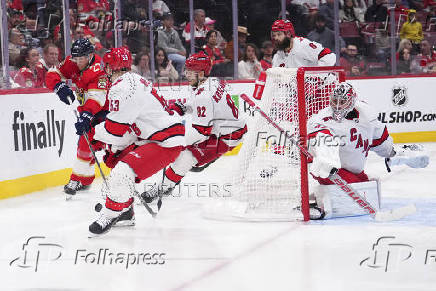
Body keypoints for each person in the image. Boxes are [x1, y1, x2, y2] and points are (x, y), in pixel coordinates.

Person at [89, 47, 185, 235]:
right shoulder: (135, 79)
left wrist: (93, 132)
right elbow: (127, 128)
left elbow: (115, 131)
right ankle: (125, 211)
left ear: (111, 67)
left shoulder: (122, 87)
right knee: (115, 157)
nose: (105, 70)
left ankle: (111, 213)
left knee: (122, 172)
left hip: (164, 142)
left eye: (106, 66)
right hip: (155, 136)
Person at [138, 51, 247, 206]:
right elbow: (202, 105)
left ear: (201, 73)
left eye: (190, 71)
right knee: (186, 152)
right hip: (231, 127)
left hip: (228, 136)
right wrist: (183, 107)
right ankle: (184, 171)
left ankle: (164, 187)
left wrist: (176, 142)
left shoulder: (204, 94)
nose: (186, 74)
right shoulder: (212, 82)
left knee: (186, 156)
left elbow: (201, 132)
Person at [307, 82, 428, 219]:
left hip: (353, 169)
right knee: (356, 195)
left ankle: (319, 196)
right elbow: (321, 139)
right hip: (328, 168)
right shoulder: (321, 120)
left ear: (352, 101)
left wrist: (396, 154)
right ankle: (319, 205)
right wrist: (326, 158)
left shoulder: (367, 115)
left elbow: (382, 143)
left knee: (370, 189)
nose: (338, 106)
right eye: (335, 101)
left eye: (343, 101)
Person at [45, 38, 108, 195]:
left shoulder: (99, 70)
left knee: (90, 143)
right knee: (85, 143)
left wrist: (86, 115)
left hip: (104, 111)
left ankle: (77, 179)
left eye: (82, 59)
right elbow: (53, 72)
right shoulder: (73, 61)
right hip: (87, 109)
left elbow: (97, 99)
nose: (78, 62)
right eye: (76, 58)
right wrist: (58, 85)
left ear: (90, 55)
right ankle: (84, 180)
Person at [270, 19, 336, 68]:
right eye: (274, 35)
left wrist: (317, 76)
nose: (276, 38)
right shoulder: (278, 56)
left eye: (279, 34)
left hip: (320, 85)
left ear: (288, 34)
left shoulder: (303, 45)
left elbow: (328, 56)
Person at [158, 12, 186, 77]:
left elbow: (179, 44)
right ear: (163, 21)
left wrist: (184, 51)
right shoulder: (160, 32)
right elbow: (164, 48)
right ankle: (179, 76)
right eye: (168, 20)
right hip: (164, 54)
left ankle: (180, 74)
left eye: (172, 20)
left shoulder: (174, 32)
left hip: (173, 53)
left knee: (186, 57)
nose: (170, 22)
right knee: (182, 59)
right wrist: (178, 51)